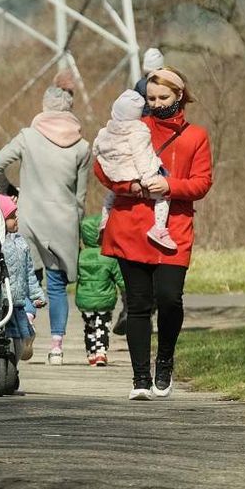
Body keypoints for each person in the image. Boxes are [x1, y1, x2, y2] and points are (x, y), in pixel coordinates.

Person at [93, 66, 212, 400]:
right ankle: (140, 378)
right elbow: (102, 166)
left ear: (180, 95)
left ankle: (165, 359)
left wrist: (170, 185)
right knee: (139, 304)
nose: (157, 104)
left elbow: (202, 182)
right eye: (151, 98)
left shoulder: (195, 136)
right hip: (130, 224)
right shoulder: (133, 127)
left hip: (173, 228)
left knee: (170, 298)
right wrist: (130, 186)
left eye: (164, 97)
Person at [0, 72, 92, 366]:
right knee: (57, 285)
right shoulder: (82, 147)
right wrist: (76, 222)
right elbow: (81, 196)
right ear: (70, 110)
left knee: (27, 278)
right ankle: (57, 347)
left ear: (44, 107)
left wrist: (7, 192)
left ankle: (27, 327)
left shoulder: (28, 137)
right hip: (64, 220)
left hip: (29, 216)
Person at [93, 89, 177, 251]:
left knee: (110, 196)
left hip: (115, 176)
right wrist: (148, 179)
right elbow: (142, 157)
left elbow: (96, 152)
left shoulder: (105, 131)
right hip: (136, 176)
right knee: (164, 196)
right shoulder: (139, 132)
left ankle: (104, 220)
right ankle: (159, 229)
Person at [0, 195, 45, 369]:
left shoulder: (21, 243)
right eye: (12, 217)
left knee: (16, 338)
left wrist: (37, 294)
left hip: (17, 302)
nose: (17, 220)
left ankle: (12, 367)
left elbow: (29, 272)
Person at [75, 212, 124, 366]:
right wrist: (126, 288)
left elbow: (75, 275)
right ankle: (101, 353)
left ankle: (91, 354)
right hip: (105, 300)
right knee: (102, 326)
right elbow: (119, 277)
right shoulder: (109, 256)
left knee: (89, 327)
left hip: (85, 299)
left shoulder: (81, 256)